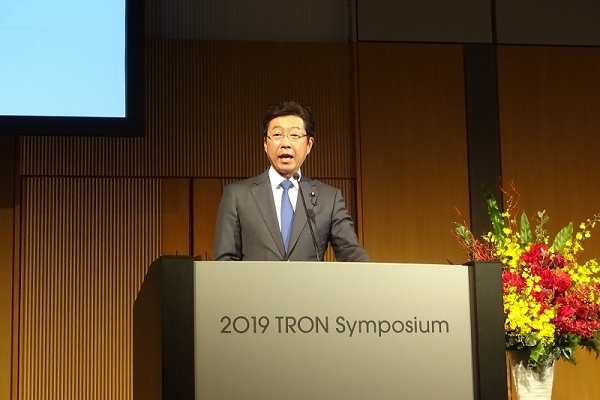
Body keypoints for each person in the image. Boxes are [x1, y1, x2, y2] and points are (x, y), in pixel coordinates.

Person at [213, 101, 369, 262]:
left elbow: (351, 254)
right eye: (277, 135)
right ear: (265, 144)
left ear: (309, 145)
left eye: (294, 135)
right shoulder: (237, 195)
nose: (285, 144)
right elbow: (225, 260)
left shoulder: (329, 198)